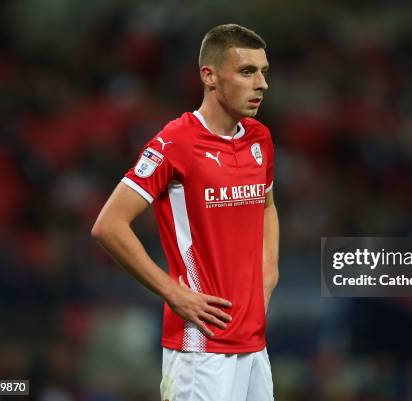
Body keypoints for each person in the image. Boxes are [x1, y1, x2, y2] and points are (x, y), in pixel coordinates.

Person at [91, 23, 279, 401]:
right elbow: (108, 225)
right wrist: (173, 293)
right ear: (209, 76)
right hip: (201, 348)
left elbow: (267, 205)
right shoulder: (176, 142)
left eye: (263, 72)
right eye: (247, 72)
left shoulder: (260, 138)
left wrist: (269, 271)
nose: (261, 84)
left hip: (254, 345)